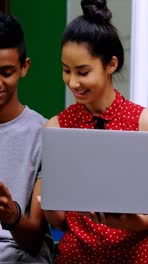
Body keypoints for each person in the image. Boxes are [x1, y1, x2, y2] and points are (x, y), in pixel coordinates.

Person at [41, 0, 148, 263]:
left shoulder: (144, 123)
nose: (73, 82)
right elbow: (59, 220)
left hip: (134, 255)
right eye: (66, 70)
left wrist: (121, 220)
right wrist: (50, 201)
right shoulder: (57, 126)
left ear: (111, 65)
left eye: (83, 72)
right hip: (77, 256)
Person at [0, 12, 52, 263]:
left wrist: (12, 216)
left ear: (24, 67)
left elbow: (34, 238)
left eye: (6, 72)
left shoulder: (44, 134)